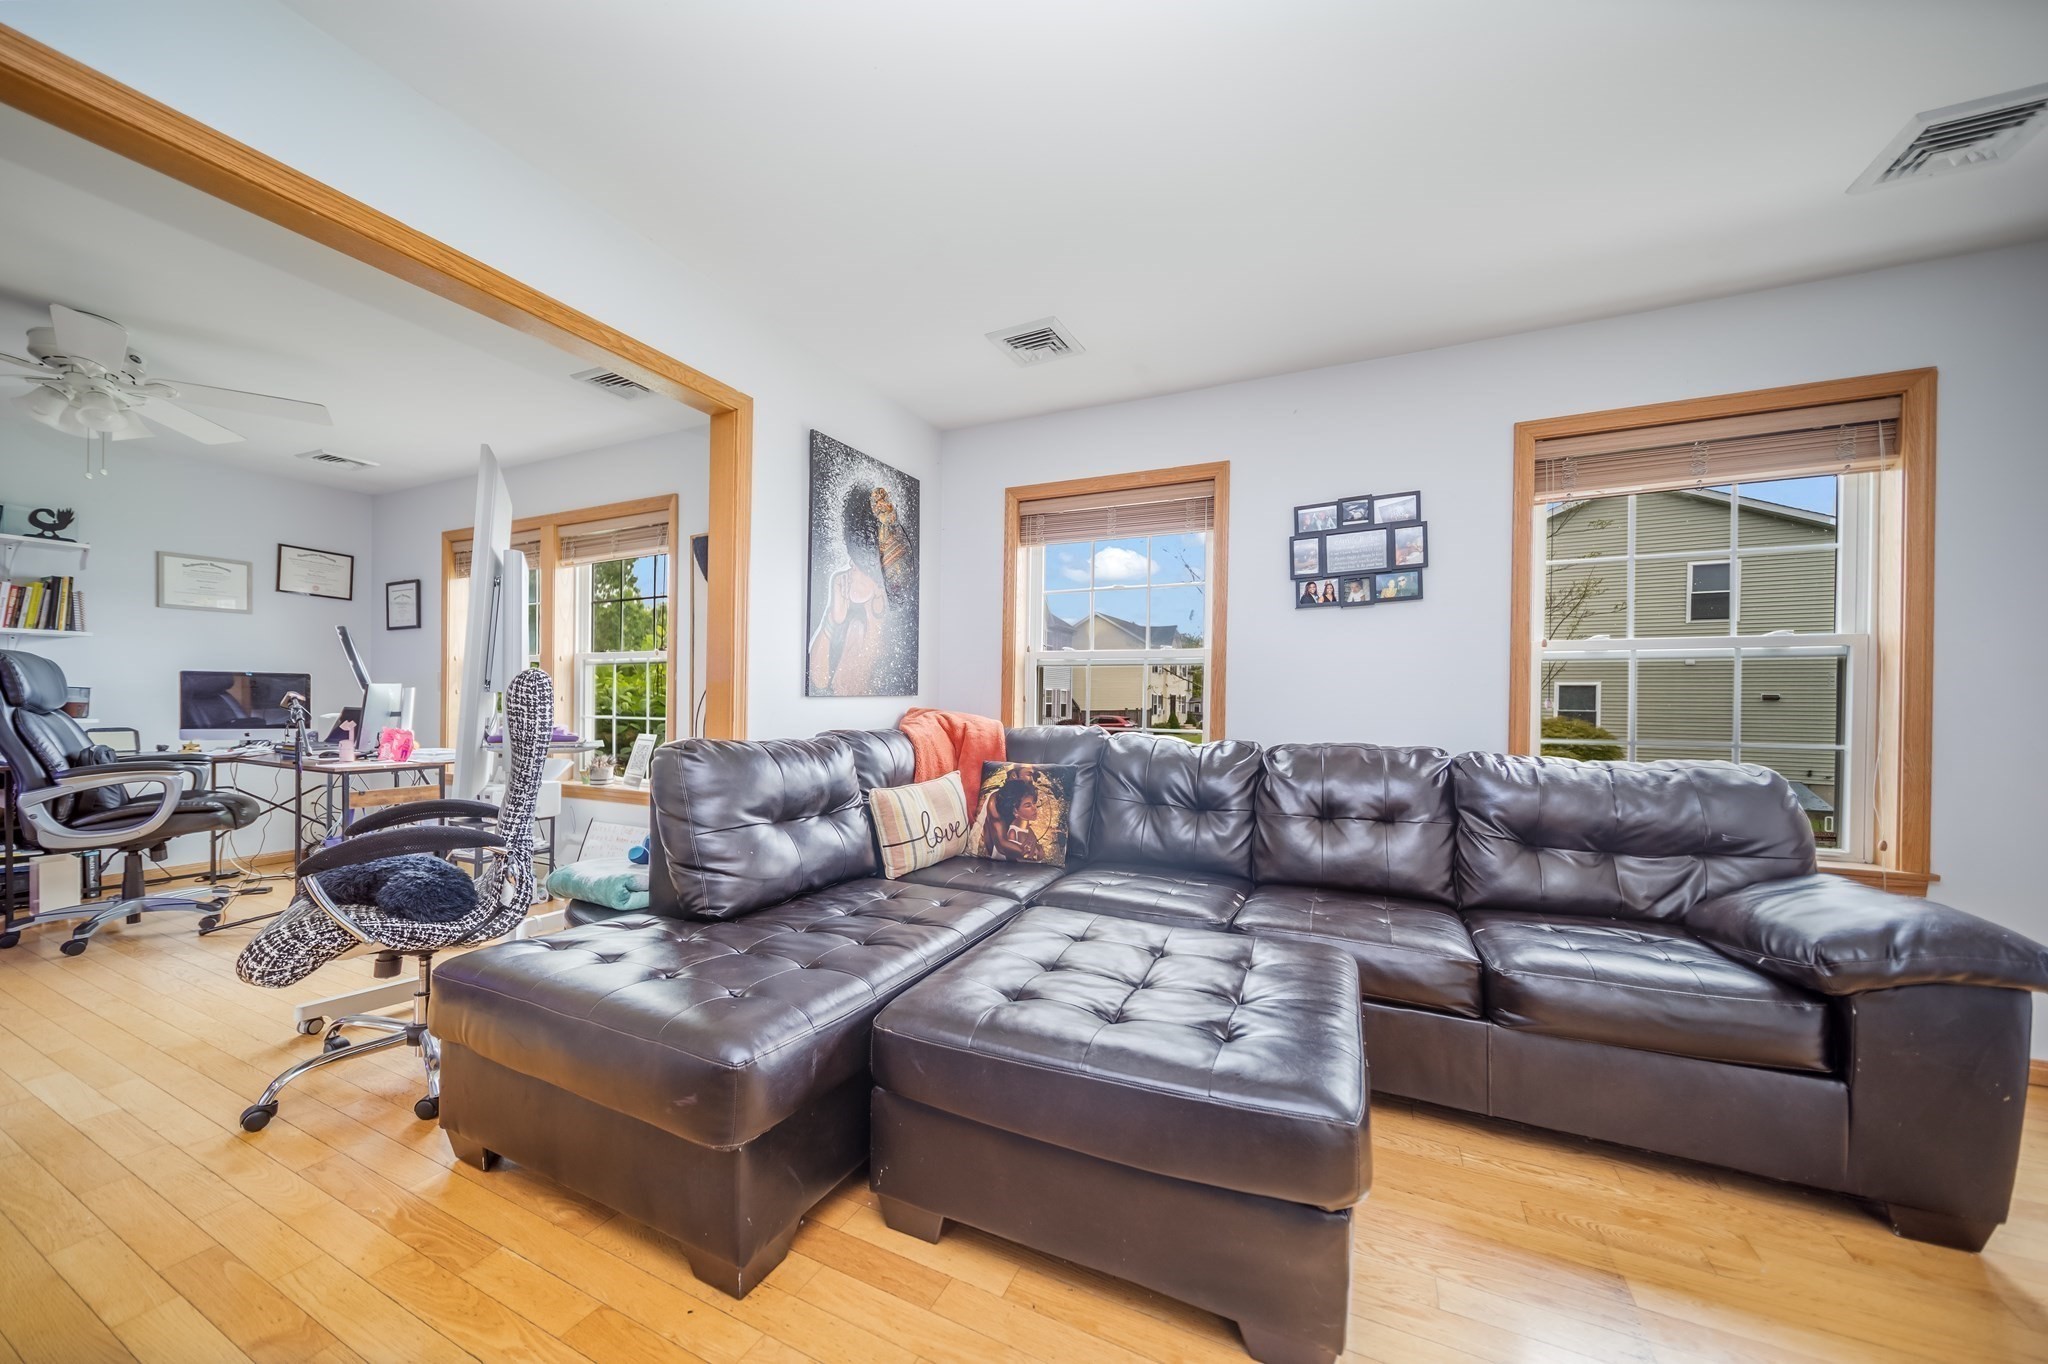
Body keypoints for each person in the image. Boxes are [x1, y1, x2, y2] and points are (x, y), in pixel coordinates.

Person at [808, 484, 894, 694]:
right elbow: (818, 680)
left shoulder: (885, 615)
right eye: (852, 557)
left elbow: (851, 685)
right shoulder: (843, 587)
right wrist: (833, 616)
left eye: (858, 560)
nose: (851, 565)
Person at [976, 775, 1043, 861]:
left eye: (1034, 803)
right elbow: (1001, 844)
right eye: (1028, 805)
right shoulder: (994, 804)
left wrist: (1035, 848)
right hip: (991, 850)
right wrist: (1025, 852)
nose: (1035, 808)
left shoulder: (1024, 798)